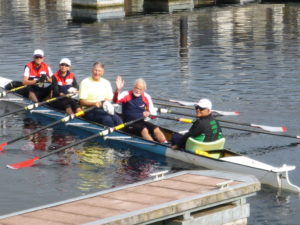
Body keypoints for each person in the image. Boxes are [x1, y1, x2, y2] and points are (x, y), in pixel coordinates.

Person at [113, 75, 168, 143]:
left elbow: (154, 115)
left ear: (144, 90)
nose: (138, 91)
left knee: (156, 129)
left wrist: (149, 114)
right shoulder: (126, 94)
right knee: (144, 129)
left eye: (140, 89)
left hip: (141, 122)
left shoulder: (146, 97)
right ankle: (154, 146)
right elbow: (115, 101)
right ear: (133, 87)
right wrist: (117, 90)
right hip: (128, 124)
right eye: (136, 88)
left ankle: (165, 143)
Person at [79, 62, 122, 127]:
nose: (97, 73)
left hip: (104, 109)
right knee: (107, 119)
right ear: (92, 70)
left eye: (99, 71)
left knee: (118, 120)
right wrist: (94, 103)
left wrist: (117, 90)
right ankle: (112, 135)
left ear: (103, 72)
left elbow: (112, 100)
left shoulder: (106, 82)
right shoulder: (85, 82)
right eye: (95, 70)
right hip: (89, 110)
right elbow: (82, 102)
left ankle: (120, 134)